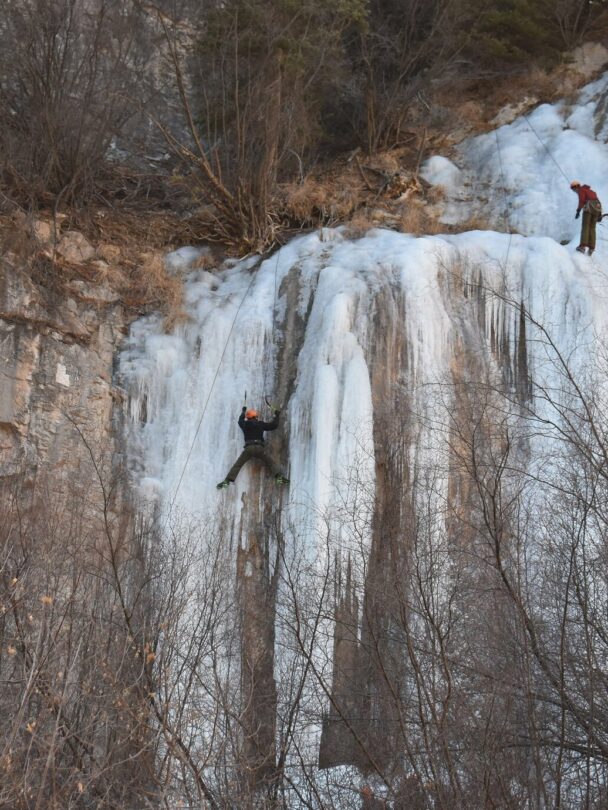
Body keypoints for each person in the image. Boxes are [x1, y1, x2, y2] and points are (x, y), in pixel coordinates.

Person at [217, 406, 289, 489]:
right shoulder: (260, 424)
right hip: (259, 448)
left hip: (249, 448)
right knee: (270, 461)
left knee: (238, 464)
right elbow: (273, 425)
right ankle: (279, 477)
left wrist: (243, 412)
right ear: (255, 417)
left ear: (248, 418)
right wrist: (277, 415)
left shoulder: (245, 424)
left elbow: (240, 421)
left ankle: (227, 481)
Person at [571, 180, 602, 256]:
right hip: (596, 209)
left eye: (573, 190)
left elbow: (581, 201)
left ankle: (582, 246)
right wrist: (600, 214)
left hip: (588, 209)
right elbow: (598, 201)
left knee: (585, 227)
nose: (574, 192)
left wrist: (578, 211)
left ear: (576, 187)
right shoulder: (592, 191)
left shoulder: (581, 190)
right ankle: (591, 248)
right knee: (592, 228)